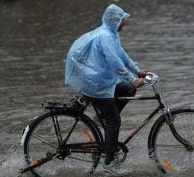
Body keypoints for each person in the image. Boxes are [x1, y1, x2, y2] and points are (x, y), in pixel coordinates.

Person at [65, 4, 148, 176]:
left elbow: (122, 56)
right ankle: (109, 162)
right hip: (96, 85)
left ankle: (102, 118)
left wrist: (136, 70)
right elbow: (114, 62)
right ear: (115, 21)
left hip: (101, 81)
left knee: (128, 90)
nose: (124, 23)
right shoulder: (105, 37)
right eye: (122, 20)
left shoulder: (112, 34)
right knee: (115, 121)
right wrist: (133, 79)